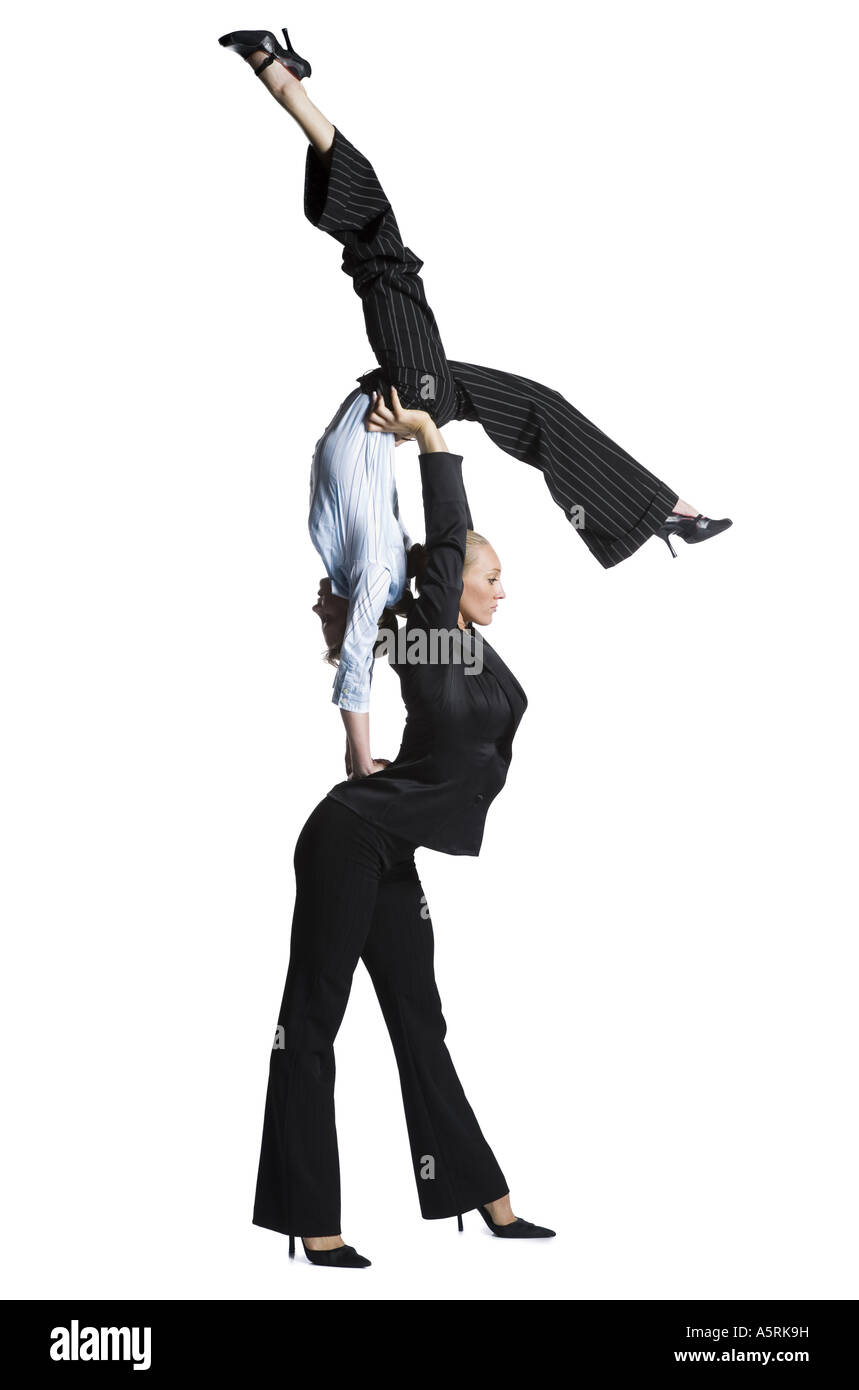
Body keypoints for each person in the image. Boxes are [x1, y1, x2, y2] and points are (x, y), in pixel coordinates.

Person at [219, 24, 731, 773]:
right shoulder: (390, 563)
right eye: (493, 574)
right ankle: (655, 511)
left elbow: (358, 659)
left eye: (486, 577)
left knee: (383, 255)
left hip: (404, 402)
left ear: (445, 582)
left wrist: (358, 759)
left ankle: (282, 80)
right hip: (404, 407)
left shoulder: (380, 580)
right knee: (533, 406)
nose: (496, 581)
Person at [252, 398, 556, 1266]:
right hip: (346, 839)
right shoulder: (434, 626)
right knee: (312, 1021)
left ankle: (481, 1196)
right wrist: (431, 439)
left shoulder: (449, 649)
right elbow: (445, 535)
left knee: (421, 1024)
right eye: (488, 576)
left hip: (385, 844)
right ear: (450, 579)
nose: (502, 589)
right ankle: (310, 1220)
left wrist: (376, 747)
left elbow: (383, 643)